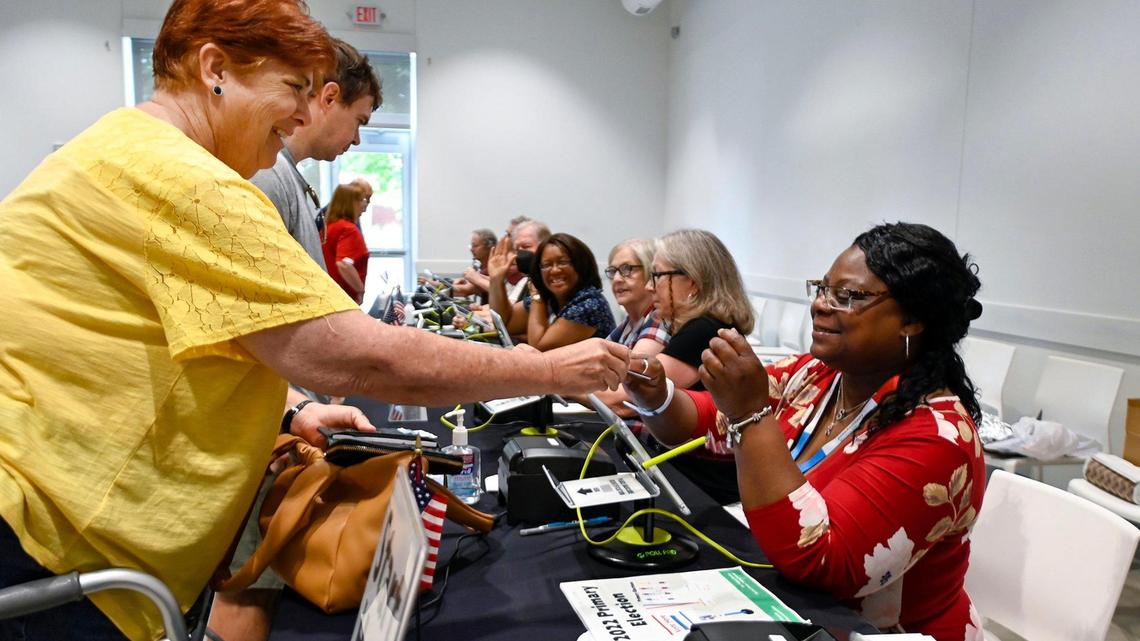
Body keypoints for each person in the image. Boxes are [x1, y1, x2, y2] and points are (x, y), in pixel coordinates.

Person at [0, 2, 628, 640]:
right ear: (215, 68)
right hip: (58, 545)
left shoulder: (116, 150)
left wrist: (289, 409)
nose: (304, 115)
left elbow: (165, 338)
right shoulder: (188, 182)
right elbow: (355, 356)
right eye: (295, 89)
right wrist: (544, 369)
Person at [625, 222, 986, 641]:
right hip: (800, 613)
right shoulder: (819, 375)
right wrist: (655, 393)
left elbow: (823, 562)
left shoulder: (937, 437)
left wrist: (750, 416)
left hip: (880, 632)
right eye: (822, 288)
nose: (820, 305)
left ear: (912, 319)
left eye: (848, 296)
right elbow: (702, 421)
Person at [250, 38, 380, 271]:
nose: (357, 139)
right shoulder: (268, 175)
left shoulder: (282, 175)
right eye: (358, 121)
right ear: (329, 97)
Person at [650, 229, 754, 392]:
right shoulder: (710, 325)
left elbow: (629, 397)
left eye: (657, 275)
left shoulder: (702, 331)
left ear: (692, 281)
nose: (649, 286)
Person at [492, 233, 615, 350]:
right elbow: (505, 324)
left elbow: (539, 350)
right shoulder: (550, 297)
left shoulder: (590, 303)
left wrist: (537, 297)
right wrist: (496, 279)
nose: (555, 270)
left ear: (580, 265)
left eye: (562, 262)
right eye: (546, 265)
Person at [590, 238, 670, 415]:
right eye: (613, 271)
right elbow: (593, 370)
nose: (617, 279)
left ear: (651, 273)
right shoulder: (629, 323)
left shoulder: (660, 320)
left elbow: (619, 397)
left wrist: (559, 384)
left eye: (627, 270)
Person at [322, 183, 371, 303]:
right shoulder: (348, 229)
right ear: (350, 203)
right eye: (361, 200)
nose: (364, 206)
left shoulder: (328, 227)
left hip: (329, 293)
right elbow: (344, 264)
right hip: (344, 297)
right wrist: (360, 290)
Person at [450, 228, 496, 299]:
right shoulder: (482, 268)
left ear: (489, 247)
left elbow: (465, 290)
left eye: (475, 246)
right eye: (471, 246)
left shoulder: (492, 269)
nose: (471, 249)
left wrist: (430, 284)